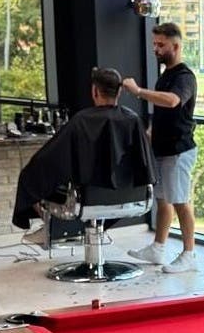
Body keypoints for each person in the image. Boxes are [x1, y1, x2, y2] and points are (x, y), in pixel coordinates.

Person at [13, 68, 154, 247]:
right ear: (119, 92)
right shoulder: (133, 119)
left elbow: (49, 160)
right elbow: (146, 165)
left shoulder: (81, 120)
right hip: (130, 197)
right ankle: (78, 230)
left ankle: (53, 228)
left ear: (94, 91)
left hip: (86, 200)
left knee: (29, 177)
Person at [123, 22, 199, 274]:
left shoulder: (185, 77)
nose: (155, 49)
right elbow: (163, 110)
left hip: (179, 150)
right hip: (162, 148)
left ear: (175, 46)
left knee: (180, 201)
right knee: (163, 199)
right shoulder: (166, 74)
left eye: (161, 45)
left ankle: (189, 254)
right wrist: (151, 130)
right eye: (154, 44)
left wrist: (138, 91)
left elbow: (173, 101)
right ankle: (158, 247)